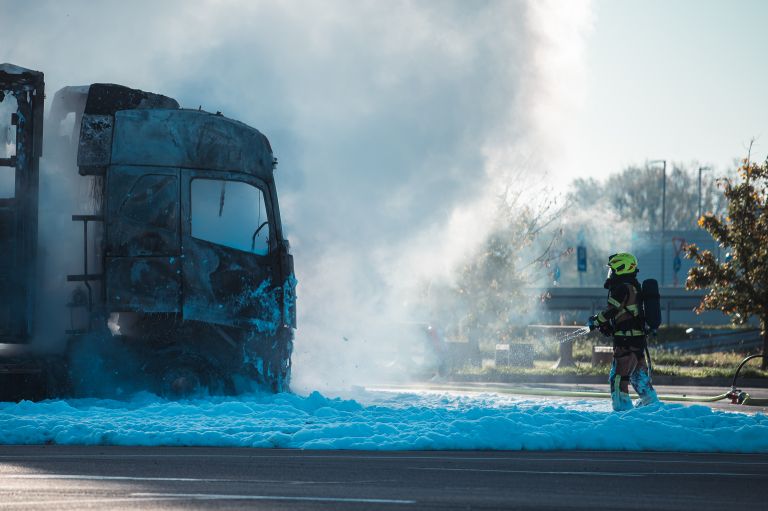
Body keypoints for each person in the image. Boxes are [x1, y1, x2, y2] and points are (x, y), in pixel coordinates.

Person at [588, 253, 659, 411]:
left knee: (618, 378)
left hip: (626, 342)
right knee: (638, 378)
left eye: (612, 270)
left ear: (621, 268)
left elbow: (612, 311)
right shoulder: (633, 286)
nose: (611, 274)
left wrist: (596, 321)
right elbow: (625, 314)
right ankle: (653, 408)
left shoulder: (621, 288)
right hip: (637, 341)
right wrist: (607, 325)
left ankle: (622, 413)